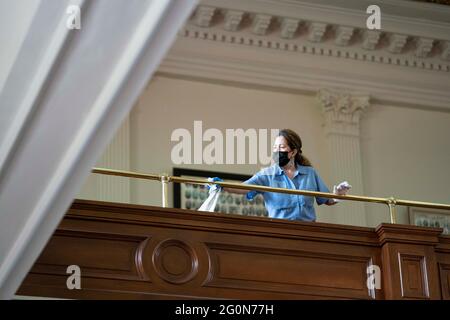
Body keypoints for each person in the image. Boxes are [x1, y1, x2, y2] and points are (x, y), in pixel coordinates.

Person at [211, 129, 350, 222]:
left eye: (282, 148)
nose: (277, 151)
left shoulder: (309, 173)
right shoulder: (267, 175)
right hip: (280, 231)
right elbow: (245, 188)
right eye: (275, 148)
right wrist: (223, 186)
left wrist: (338, 194)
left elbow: (327, 200)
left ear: (293, 152)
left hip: (309, 231)